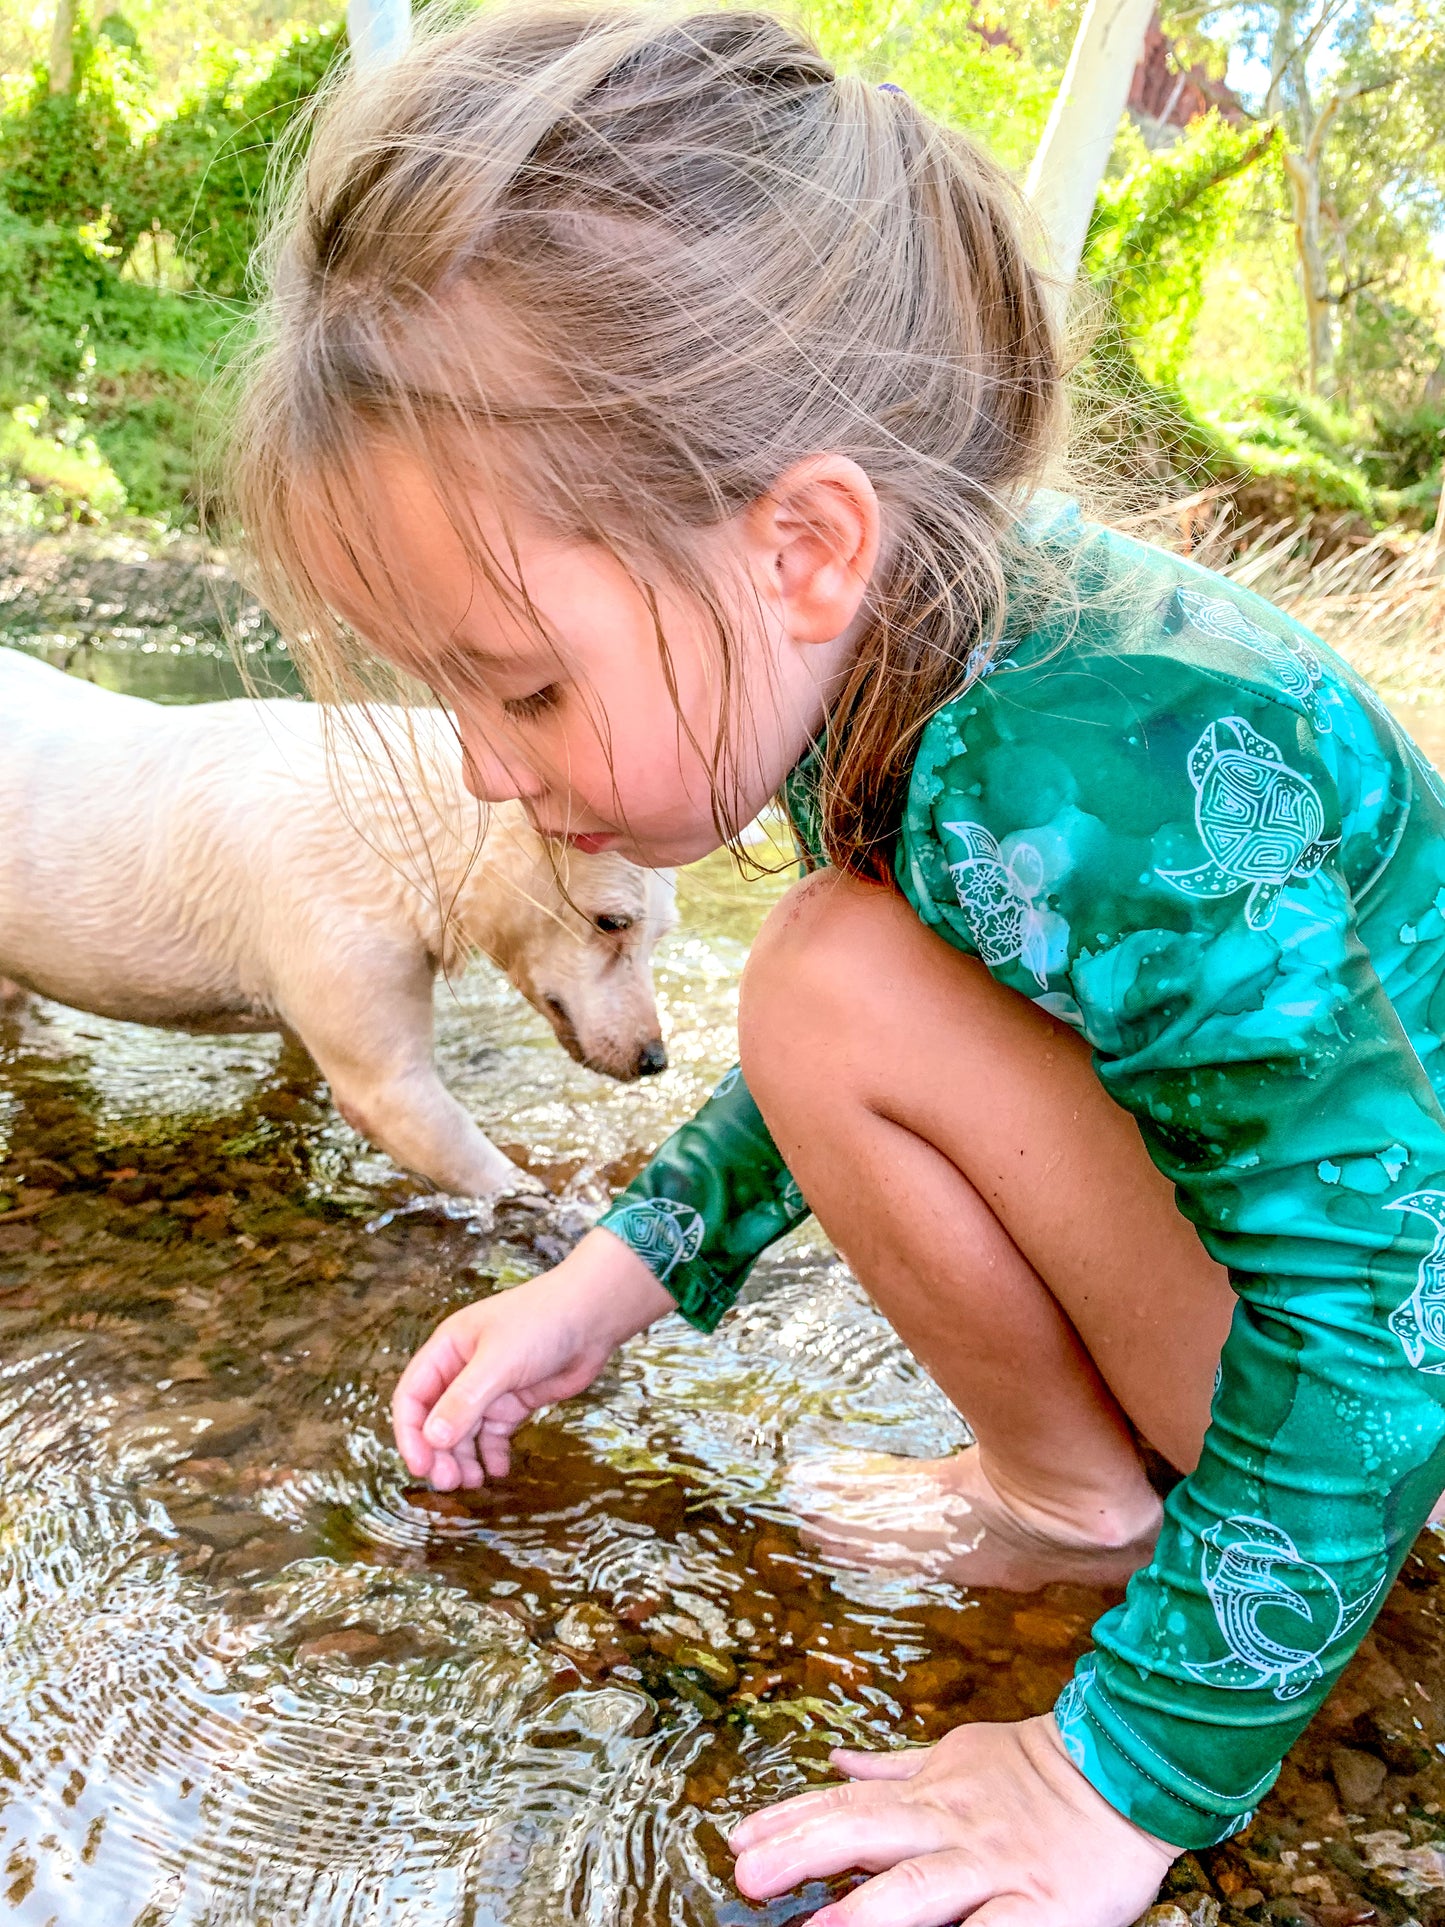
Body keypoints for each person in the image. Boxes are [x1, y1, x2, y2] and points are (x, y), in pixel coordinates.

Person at [230, 6, 1445, 1921]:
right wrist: (609, 1288)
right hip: (1348, 1328)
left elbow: (1381, 1304)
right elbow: (911, 1048)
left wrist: (1109, 1771)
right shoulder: (920, 654)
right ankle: (1087, 1474)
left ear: (802, 543)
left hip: (1403, 1383)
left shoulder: (1091, 764)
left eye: (522, 682)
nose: (483, 760)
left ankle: (1073, 1506)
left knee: (816, 971)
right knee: (836, 971)